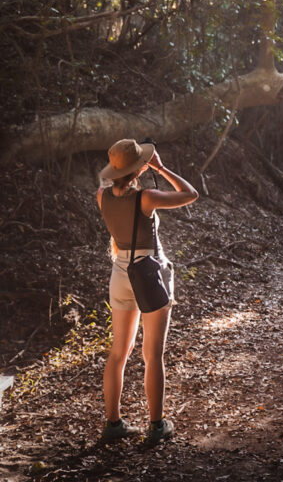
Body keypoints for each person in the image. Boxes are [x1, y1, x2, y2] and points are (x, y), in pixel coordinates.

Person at [96, 138, 198, 446]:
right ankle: (156, 425)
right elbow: (190, 194)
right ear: (139, 168)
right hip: (148, 272)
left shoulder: (100, 196)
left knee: (118, 353)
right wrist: (162, 168)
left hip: (120, 273)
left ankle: (113, 424)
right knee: (153, 353)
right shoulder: (147, 198)